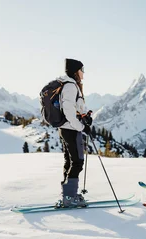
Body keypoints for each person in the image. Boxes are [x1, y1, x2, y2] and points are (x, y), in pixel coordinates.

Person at [57, 58, 92, 208]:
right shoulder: (71, 86)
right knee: (77, 162)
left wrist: (85, 117)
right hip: (71, 129)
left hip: (66, 128)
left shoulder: (68, 85)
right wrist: (81, 127)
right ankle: (69, 197)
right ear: (75, 71)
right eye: (82, 70)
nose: (83, 73)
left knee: (70, 161)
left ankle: (68, 194)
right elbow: (69, 111)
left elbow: (75, 109)